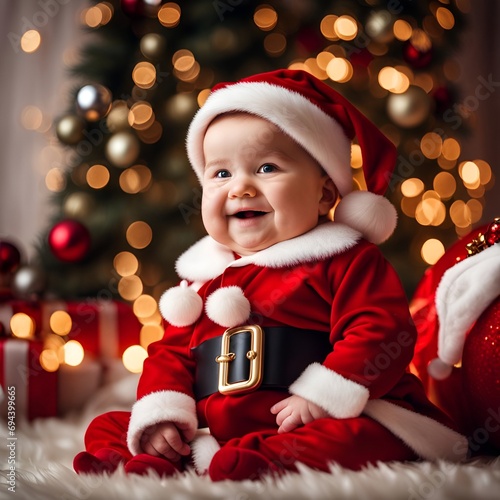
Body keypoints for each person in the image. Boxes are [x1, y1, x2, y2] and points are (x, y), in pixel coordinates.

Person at [74, 69, 468, 481]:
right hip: (218, 426)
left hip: (304, 417)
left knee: (362, 436)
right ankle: (147, 457)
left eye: (266, 168)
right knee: (111, 424)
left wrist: (321, 396)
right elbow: (170, 355)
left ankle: (269, 458)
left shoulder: (343, 259)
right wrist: (164, 415)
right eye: (221, 173)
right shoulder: (201, 281)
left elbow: (382, 329)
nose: (240, 188)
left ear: (325, 195)